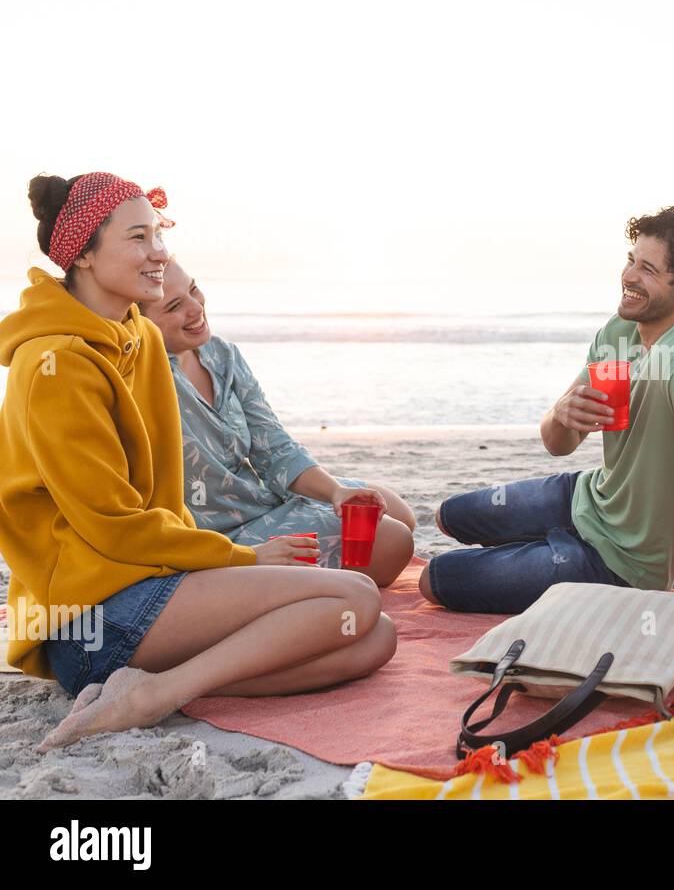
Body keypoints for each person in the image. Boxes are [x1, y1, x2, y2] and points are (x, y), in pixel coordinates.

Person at [0, 172, 397, 752]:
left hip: (151, 584)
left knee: (372, 639)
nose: (158, 253)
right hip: (87, 618)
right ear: (83, 253)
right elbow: (114, 525)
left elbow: (172, 496)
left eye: (159, 235)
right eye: (138, 238)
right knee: (355, 599)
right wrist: (240, 556)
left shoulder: (134, 335)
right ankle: (150, 696)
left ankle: (166, 687)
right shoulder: (59, 365)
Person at [418, 206, 674, 655]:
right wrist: (561, 413)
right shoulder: (621, 330)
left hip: (618, 561)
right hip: (584, 497)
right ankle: (536, 544)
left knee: (435, 580)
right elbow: (558, 444)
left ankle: (542, 554)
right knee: (448, 516)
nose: (629, 275)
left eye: (647, 269)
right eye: (631, 259)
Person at [138, 258, 416, 587]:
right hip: (223, 537)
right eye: (173, 306)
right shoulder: (143, 377)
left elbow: (274, 447)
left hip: (260, 498)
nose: (195, 308)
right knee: (393, 540)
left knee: (394, 509)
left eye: (194, 289)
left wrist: (336, 492)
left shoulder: (222, 355)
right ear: (140, 322)